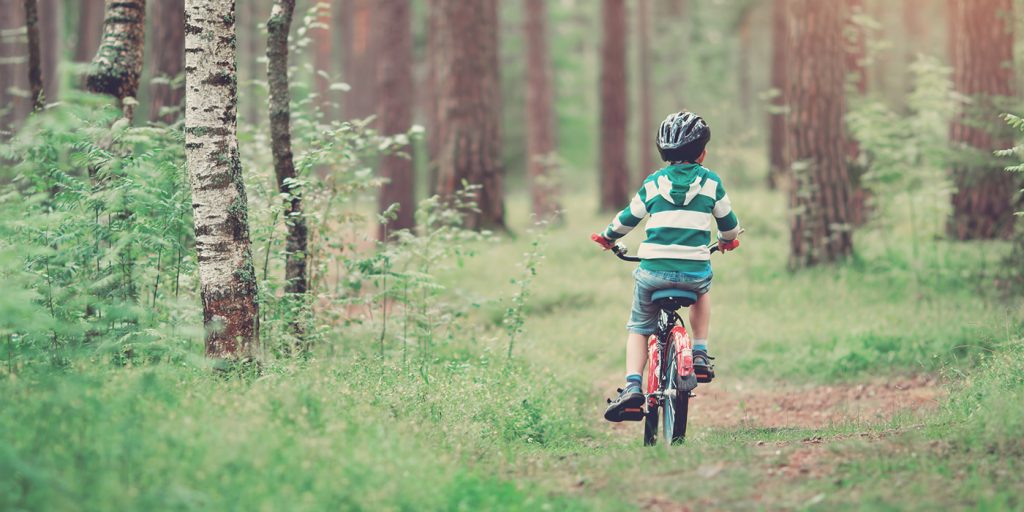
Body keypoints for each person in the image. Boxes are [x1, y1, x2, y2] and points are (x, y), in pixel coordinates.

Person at [592, 111, 741, 422]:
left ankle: (633, 386)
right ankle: (699, 353)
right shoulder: (711, 183)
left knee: (639, 326)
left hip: (653, 272)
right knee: (702, 291)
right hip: (694, 271)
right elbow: (729, 224)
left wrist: (608, 238)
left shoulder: (654, 183)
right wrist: (727, 241)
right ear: (703, 152)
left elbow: (627, 219)